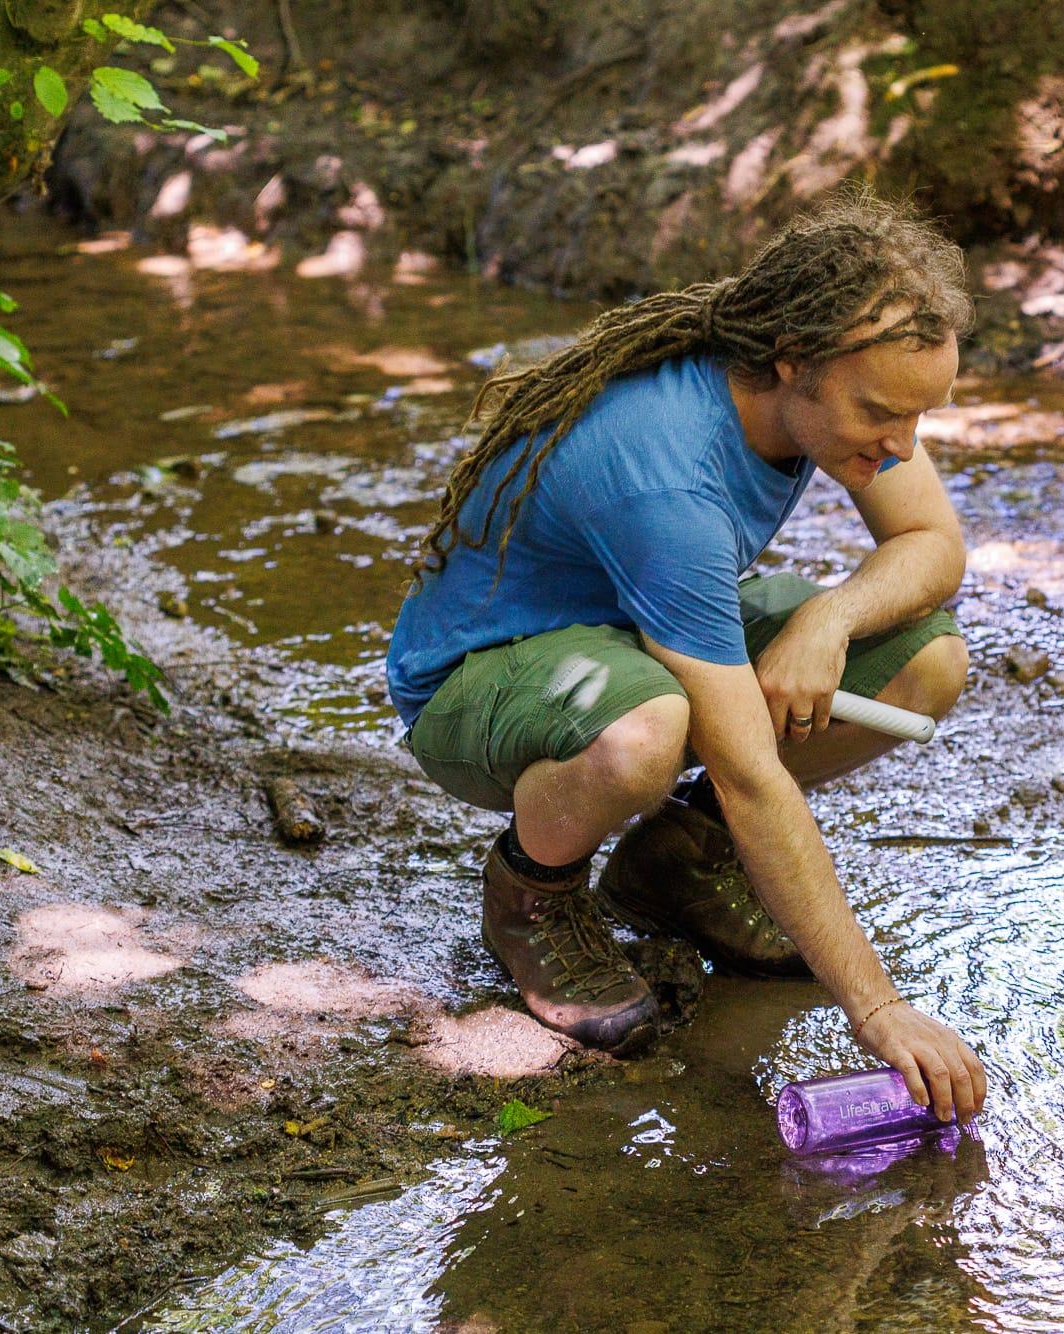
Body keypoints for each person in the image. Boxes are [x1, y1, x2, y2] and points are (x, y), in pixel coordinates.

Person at [385, 191, 987, 1125]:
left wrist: (828, 621)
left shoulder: (848, 390)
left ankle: (676, 863)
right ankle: (531, 895)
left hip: (629, 629)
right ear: (795, 363)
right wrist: (878, 1009)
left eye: (921, 416)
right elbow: (754, 776)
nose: (903, 445)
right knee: (646, 732)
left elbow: (932, 545)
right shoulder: (668, 475)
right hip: (481, 673)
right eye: (880, 415)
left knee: (927, 657)